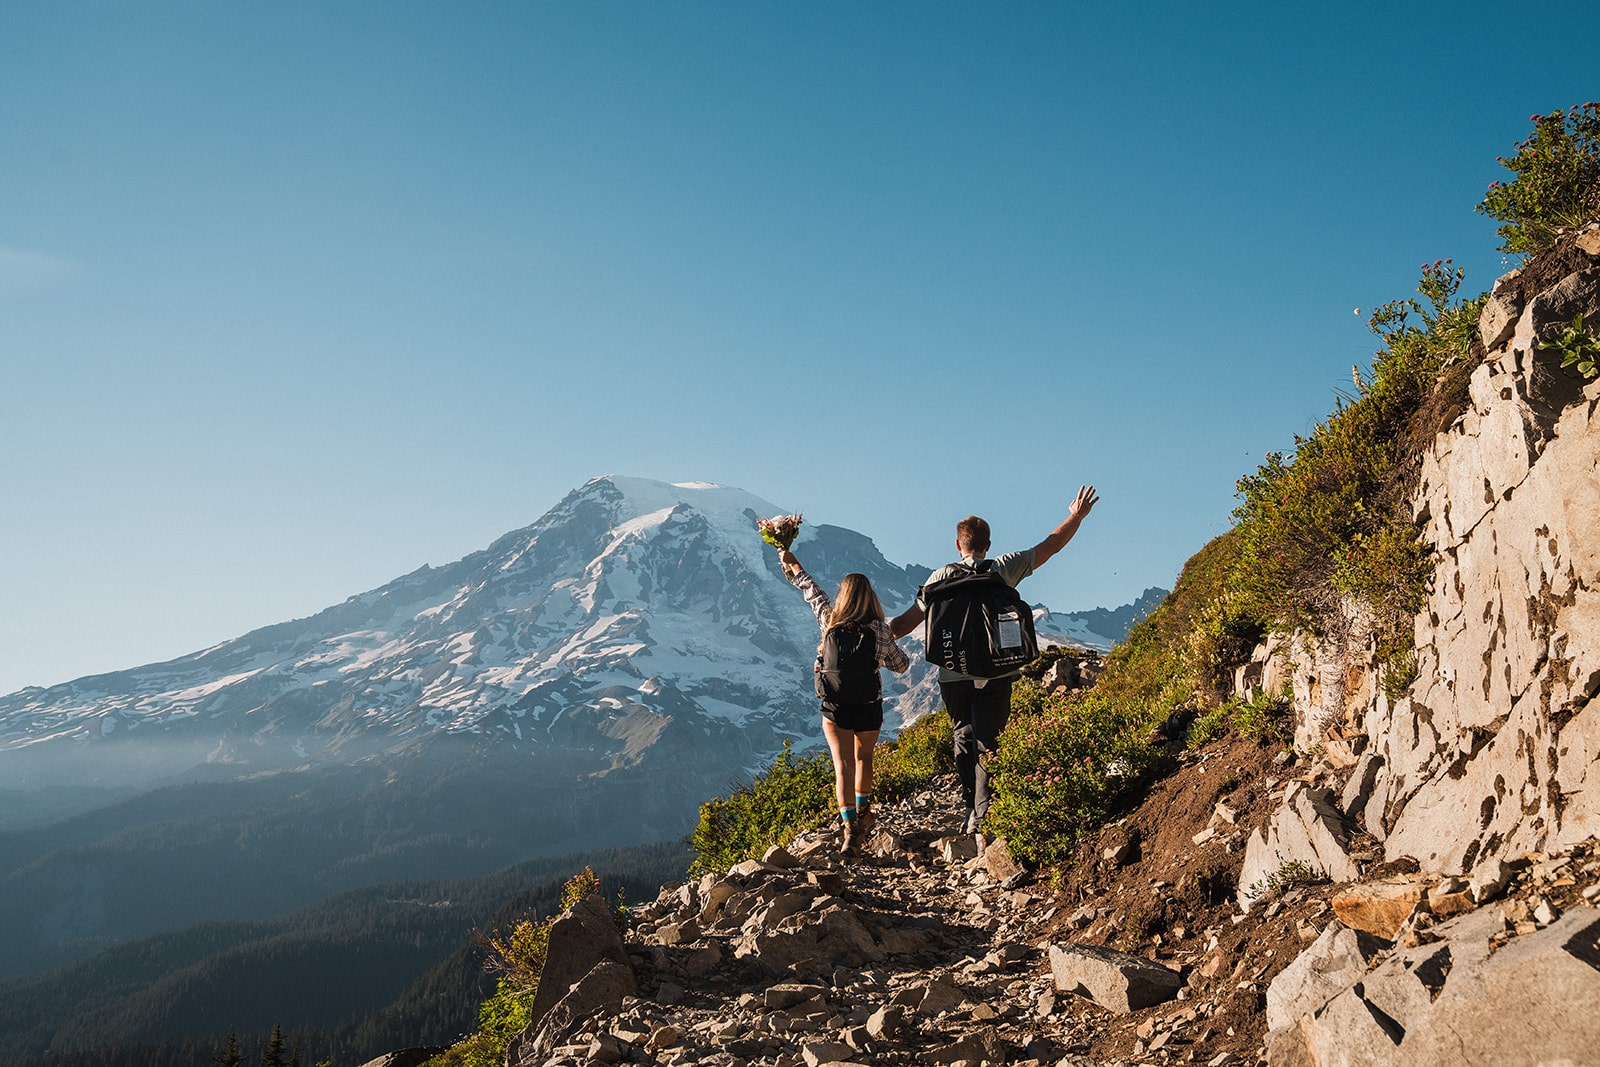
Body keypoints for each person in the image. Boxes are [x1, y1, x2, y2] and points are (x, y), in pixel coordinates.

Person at [891, 486, 1100, 835]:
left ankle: (970, 808)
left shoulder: (940, 577)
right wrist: (1076, 517)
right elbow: (1049, 546)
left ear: (958, 546)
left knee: (963, 736)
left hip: (953, 673)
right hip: (999, 670)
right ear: (988, 544)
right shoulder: (1003, 567)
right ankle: (986, 815)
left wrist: (857, 631)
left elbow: (904, 624)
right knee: (990, 741)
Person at [777, 545, 911, 854]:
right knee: (864, 759)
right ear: (870, 597)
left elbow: (812, 592)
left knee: (842, 765)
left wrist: (792, 562)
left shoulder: (830, 621)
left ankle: (850, 828)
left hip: (834, 708)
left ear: (844, 596)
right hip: (868, 707)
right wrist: (886, 645)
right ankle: (864, 816)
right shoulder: (878, 629)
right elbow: (901, 665)